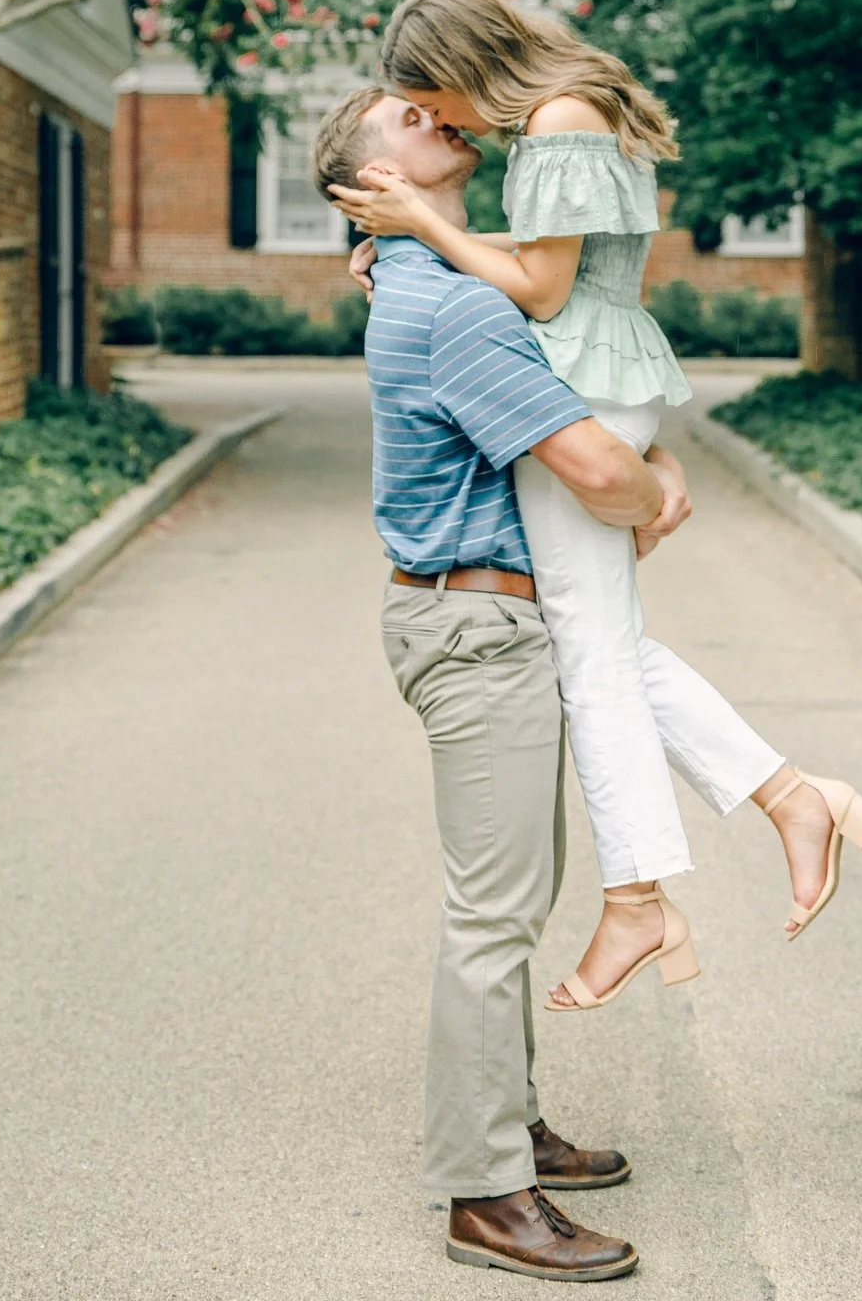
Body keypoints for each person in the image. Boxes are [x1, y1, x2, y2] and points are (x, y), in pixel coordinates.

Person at [328, 0, 862, 1013]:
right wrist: (411, 257)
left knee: (591, 660)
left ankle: (647, 893)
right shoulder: (563, 113)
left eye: (434, 96)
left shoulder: (560, 119)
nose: (445, 120)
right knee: (606, 647)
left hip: (583, 386)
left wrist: (415, 220)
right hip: (595, 381)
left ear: (467, 55)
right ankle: (788, 804)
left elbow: (543, 290)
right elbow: (550, 282)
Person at [311, 82, 698, 1281]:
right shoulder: (453, 309)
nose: (439, 115)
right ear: (371, 178)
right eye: (406, 115)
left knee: (513, 901)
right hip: (476, 627)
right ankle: (483, 1193)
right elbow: (592, 466)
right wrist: (659, 490)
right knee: (495, 917)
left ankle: (507, 1119)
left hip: (476, 619)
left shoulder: (434, 280)